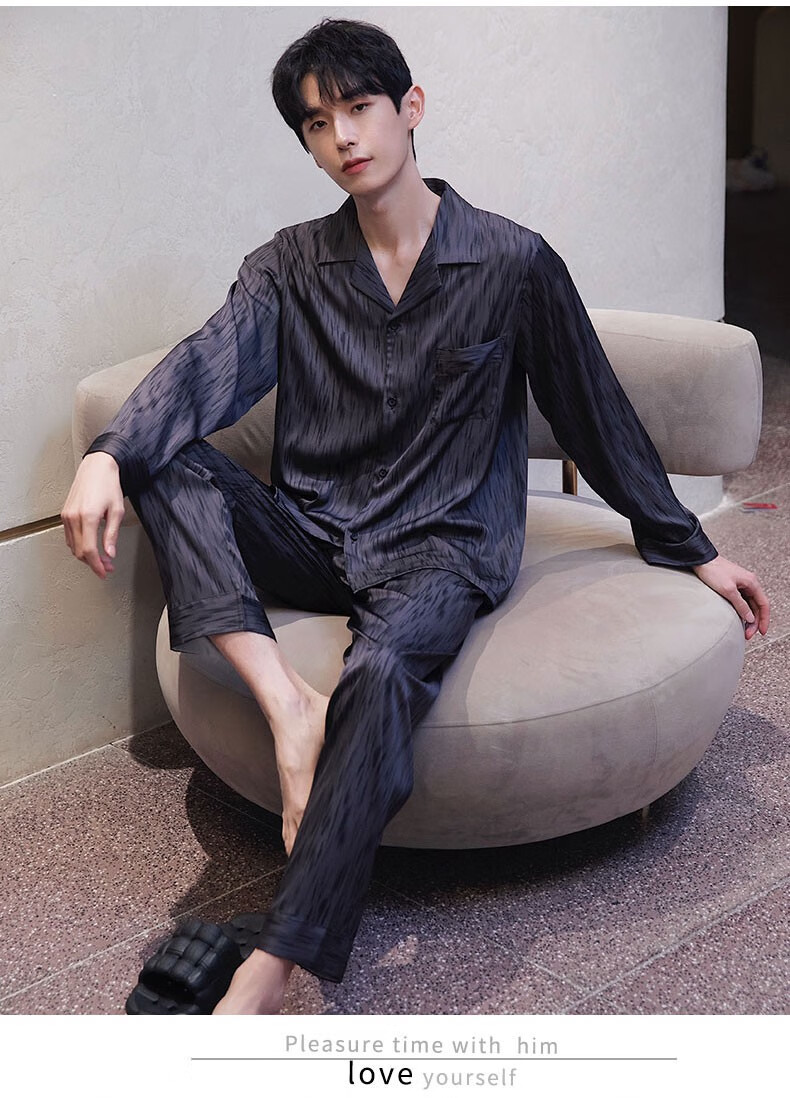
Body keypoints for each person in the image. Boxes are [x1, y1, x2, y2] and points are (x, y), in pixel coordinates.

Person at [61, 18, 770, 1014]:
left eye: (359, 107)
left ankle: (275, 969)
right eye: (318, 124)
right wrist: (108, 455)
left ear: (410, 109)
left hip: (444, 548)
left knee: (385, 672)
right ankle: (288, 707)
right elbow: (202, 368)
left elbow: (594, 414)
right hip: (314, 531)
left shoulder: (513, 262)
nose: (344, 136)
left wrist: (689, 546)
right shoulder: (288, 266)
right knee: (162, 456)